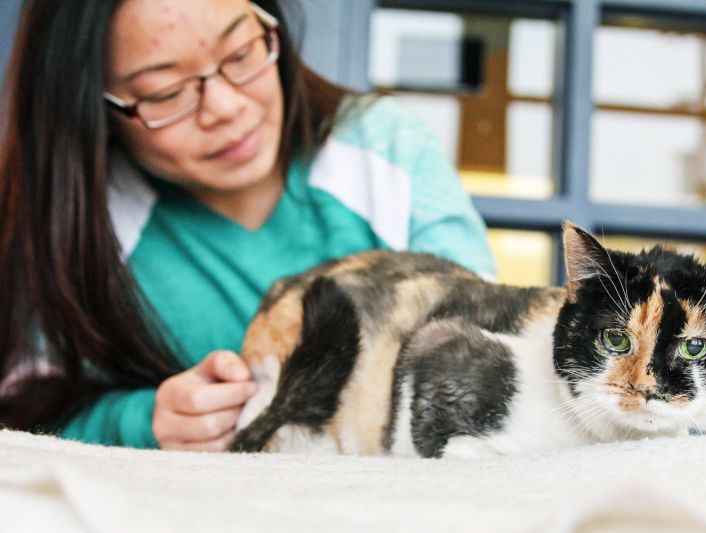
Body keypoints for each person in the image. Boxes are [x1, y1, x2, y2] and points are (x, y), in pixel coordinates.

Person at [0, 0, 495, 452]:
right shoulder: (79, 219)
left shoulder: (385, 152)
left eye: (240, 54)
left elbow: (489, 345)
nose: (226, 108)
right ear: (93, 107)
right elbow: (23, 421)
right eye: (164, 92)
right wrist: (144, 421)